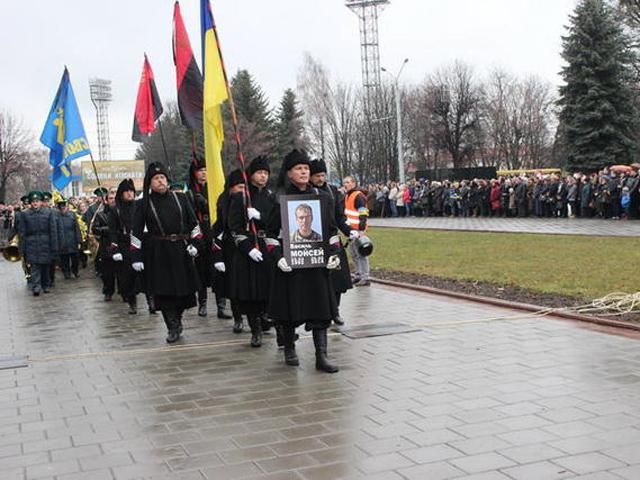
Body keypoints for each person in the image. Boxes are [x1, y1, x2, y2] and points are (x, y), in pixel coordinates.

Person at [267, 149, 341, 373]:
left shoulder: (322, 198)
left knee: (321, 311)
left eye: (306, 168)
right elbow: (270, 234)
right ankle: (289, 347)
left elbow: (331, 230)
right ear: (289, 173)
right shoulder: (278, 199)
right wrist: (278, 257)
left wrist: (334, 254)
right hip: (291, 266)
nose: (304, 172)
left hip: (317, 264)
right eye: (299, 168)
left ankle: (322, 355)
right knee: (289, 311)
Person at [130, 162, 202, 343]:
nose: (160, 181)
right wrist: (136, 257)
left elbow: (194, 225)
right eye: (156, 178)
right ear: (150, 183)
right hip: (159, 252)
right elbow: (136, 232)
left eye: (162, 177)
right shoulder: (143, 204)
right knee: (165, 293)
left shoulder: (181, 199)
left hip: (181, 250)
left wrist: (195, 244)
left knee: (184, 292)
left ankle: (177, 318)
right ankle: (171, 326)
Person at [227, 156, 276, 347]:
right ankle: (255, 330)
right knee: (252, 294)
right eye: (259, 173)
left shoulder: (271, 197)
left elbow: (276, 222)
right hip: (249, 248)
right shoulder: (241, 198)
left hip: (268, 246)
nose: (263, 176)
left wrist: (260, 216)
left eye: (266, 173)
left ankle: (269, 321)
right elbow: (234, 228)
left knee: (269, 290)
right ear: (251, 175)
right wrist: (248, 249)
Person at [309, 159, 353, 326]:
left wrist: (350, 230)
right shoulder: (307, 191)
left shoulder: (333, 191)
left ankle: (336, 311)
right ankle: (321, 311)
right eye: (317, 175)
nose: (321, 178)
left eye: (323, 175)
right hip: (313, 240)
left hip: (332, 239)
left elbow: (340, 216)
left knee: (337, 278)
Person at [185, 156, 230, 318]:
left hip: (214, 232)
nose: (203, 173)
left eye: (206, 170)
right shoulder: (189, 193)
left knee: (219, 270)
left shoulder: (215, 189)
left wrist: (205, 203)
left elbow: (220, 210)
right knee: (200, 271)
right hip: (199, 234)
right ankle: (202, 303)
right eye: (200, 170)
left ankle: (221, 305)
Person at [211, 169, 246, 334]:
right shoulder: (223, 201)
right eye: (239, 187)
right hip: (230, 247)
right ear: (231, 188)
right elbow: (220, 226)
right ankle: (238, 318)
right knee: (234, 285)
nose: (242, 191)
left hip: (249, 246)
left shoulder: (249, 200)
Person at [108, 179, 140, 314]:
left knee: (145, 274)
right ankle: (132, 301)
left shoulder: (139, 207)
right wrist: (115, 249)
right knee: (128, 277)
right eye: (126, 191)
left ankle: (151, 301)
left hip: (139, 243)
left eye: (131, 191)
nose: (129, 194)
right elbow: (113, 231)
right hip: (124, 245)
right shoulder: (116, 210)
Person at [18, 191, 58, 296]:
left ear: (41, 202)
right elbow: (22, 232)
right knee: (35, 266)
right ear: (30, 203)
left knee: (45, 266)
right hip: (31, 243)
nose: (35, 203)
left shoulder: (48, 213)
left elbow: (53, 230)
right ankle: (36, 286)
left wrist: (54, 246)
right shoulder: (25, 214)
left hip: (46, 243)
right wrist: (22, 249)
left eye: (37, 201)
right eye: (33, 201)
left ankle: (45, 285)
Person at [343, 175, 370, 287]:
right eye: (344, 182)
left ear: (354, 183)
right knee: (354, 254)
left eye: (348, 182)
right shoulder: (348, 196)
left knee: (361, 254)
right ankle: (358, 274)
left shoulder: (358, 196)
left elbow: (363, 213)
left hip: (358, 230)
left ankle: (365, 277)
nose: (346, 184)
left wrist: (362, 229)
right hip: (351, 230)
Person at [92, 188, 117, 301]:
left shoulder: (123, 212)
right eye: (110, 198)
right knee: (107, 273)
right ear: (106, 200)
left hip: (120, 246)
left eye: (115, 198)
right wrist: (109, 229)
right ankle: (108, 291)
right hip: (106, 246)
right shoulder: (100, 215)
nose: (113, 200)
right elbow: (95, 229)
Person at [55, 198, 81, 280]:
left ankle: (75, 271)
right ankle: (66, 273)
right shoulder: (56, 217)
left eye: (64, 207)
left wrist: (79, 239)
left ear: (67, 207)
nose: (63, 209)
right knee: (64, 259)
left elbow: (77, 227)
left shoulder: (72, 215)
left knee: (75, 259)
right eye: (61, 208)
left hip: (72, 240)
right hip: (62, 241)